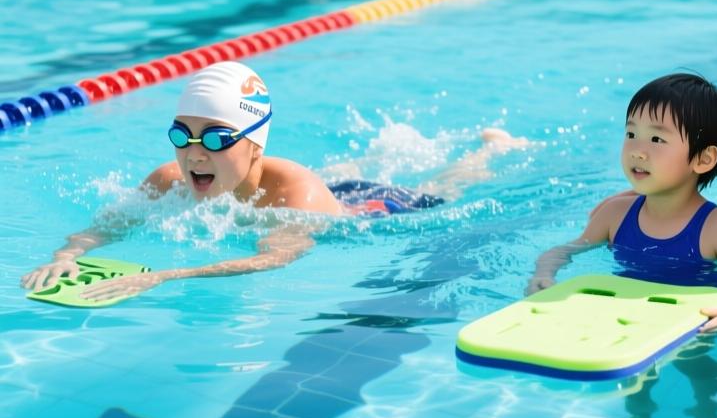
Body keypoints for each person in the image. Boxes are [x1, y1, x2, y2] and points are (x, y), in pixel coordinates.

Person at [22, 61, 525, 302]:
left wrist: (166, 276)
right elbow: (107, 226)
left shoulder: (293, 193)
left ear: (255, 144)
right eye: (182, 134)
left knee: (447, 189)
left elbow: (273, 258)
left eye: (215, 139)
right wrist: (66, 256)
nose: (193, 153)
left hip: (372, 211)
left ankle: (489, 151)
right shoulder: (169, 179)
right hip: (319, 189)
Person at [528, 73, 717, 332]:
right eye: (631, 133)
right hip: (625, 319)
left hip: (694, 324)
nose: (637, 150)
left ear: (703, 159)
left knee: (701, 372)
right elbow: (563, 251)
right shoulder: (614, 216)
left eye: (657, 139)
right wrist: (543, 274)